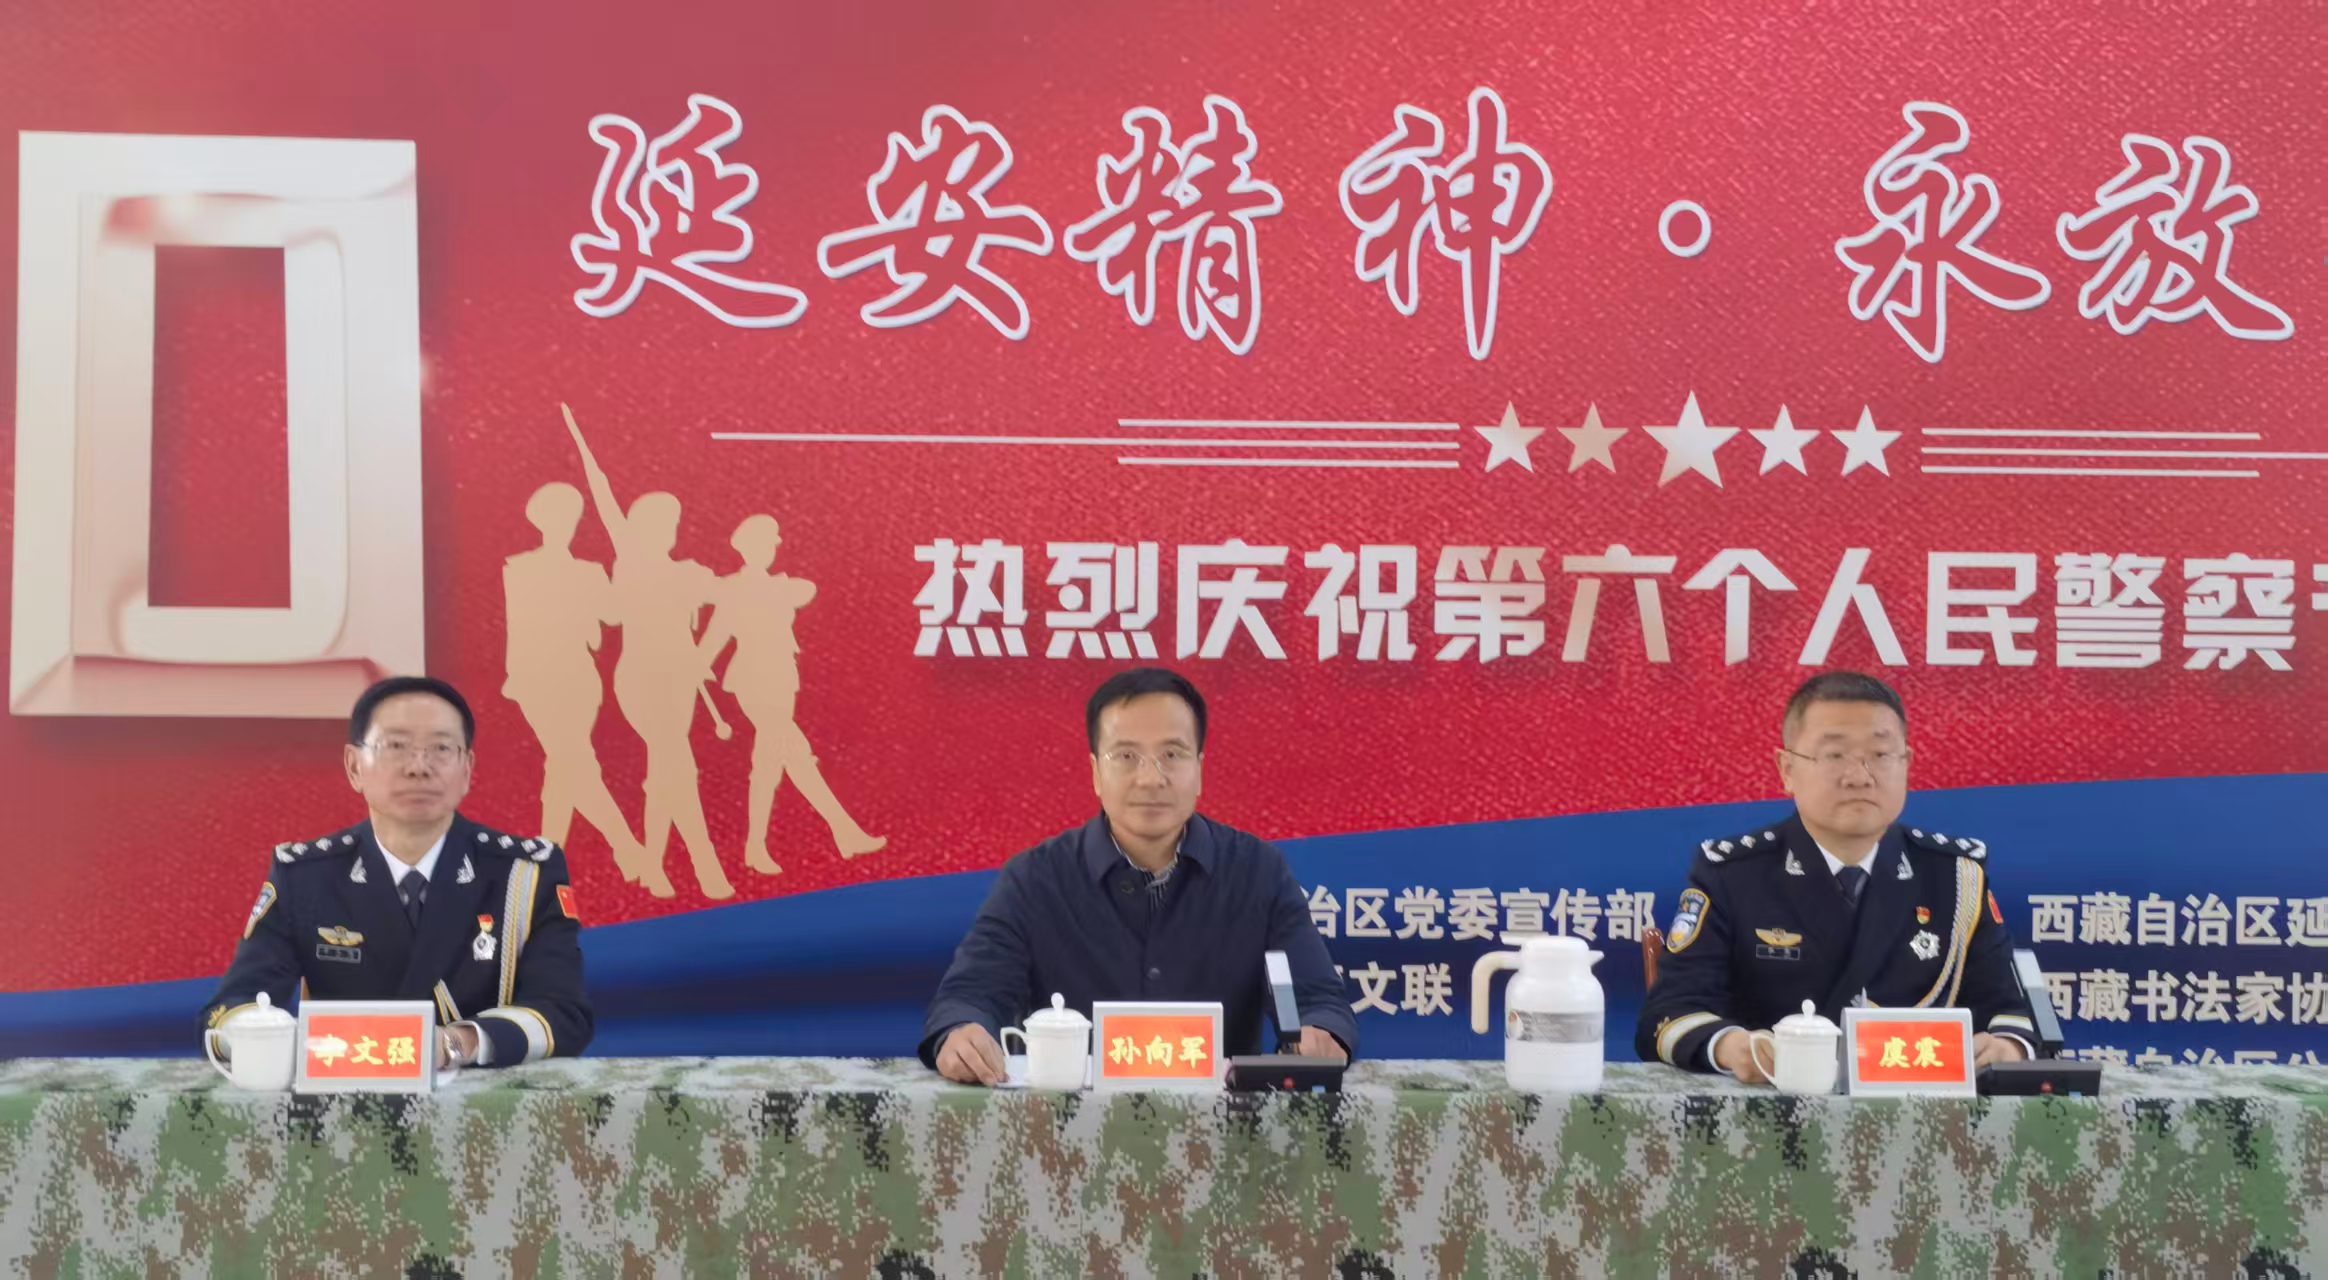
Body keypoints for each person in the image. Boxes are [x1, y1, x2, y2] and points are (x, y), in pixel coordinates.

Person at [920, 668, 1355, 1084]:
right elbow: (971, 994)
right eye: (1126, 756)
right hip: (1069, 1125)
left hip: (1225, 1124)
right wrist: (962, 1031)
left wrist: (1321, 1032)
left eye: (1172, 755)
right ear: (1096, 772)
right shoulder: (1035, 879)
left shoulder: (1257, 871)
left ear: (1199, 769)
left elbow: (1318, 998)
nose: (1150, 778)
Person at [1636, 671, 2034, 1081]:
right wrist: (1732, 1048)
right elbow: (1669, 1015)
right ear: (1787, 769)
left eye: (1880, 754)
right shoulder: (1733, 875)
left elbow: (2012, 1012)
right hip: (1771, 1107)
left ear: (1907, 764)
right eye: (1834, 755)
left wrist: (2007, 1047)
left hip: (1917, 1106)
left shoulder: (1954, 877)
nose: (1859, 776)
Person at [201, 677, 593, 1069]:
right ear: (355, 766)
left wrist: (457, 1043)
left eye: (441, 748)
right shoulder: (305, 877)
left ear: (467, 769)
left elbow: (562, 1013)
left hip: (482, 1098)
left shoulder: (523, 875)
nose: (418, 767)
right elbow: (231, 1008)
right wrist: (274, 1040)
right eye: (395, 746)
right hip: (344, 1093)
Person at [697, 513, 886, 875]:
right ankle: (844, 829)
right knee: (795, 753)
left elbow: (806, 590)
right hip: (752, 681)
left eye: (773, 542)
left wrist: (738, 589)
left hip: (782, 678)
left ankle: (756, 847)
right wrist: (695, 663)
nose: (773, 548)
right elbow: (714, 638)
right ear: (749, 547)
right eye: (767, 542)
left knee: (770, 764)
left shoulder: (775, 587)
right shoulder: (733, 591)